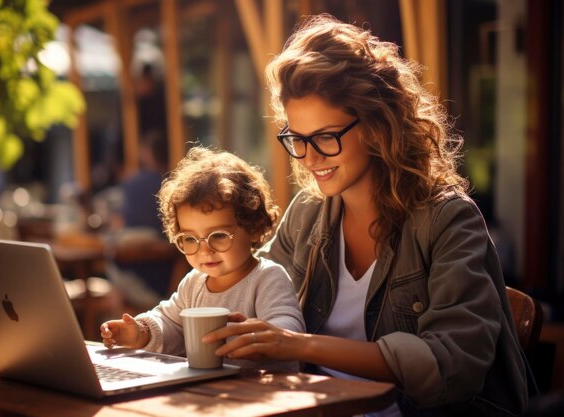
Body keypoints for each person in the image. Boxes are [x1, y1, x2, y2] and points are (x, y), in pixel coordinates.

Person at [202, 14, 529, 416]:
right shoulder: (306, 214)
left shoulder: (447, 220)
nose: (309, 157)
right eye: (298, 139)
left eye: (325, 137)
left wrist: (298, 345)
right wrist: (155, 329)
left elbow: (453, 365)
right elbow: (246, 290)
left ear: (377, 126)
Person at [100, 147, 305, 371]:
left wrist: (258, 338)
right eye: (189, 239)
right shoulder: (194, 283)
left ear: (254, 228)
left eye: (218, 236)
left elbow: (288, 328)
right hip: (211, 393)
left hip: (268, 392)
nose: (204, 250)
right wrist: (140, 332)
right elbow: (170, 323)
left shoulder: (267, 278)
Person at [104, 130, 175, 309]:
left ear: (147, 153)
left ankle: (117, 310)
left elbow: (117, 223)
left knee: (111, 256)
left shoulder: (134, 184)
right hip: (171, 276)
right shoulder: (176, 183)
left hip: (138, 275)